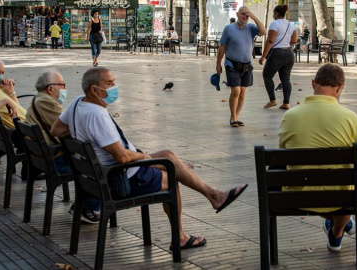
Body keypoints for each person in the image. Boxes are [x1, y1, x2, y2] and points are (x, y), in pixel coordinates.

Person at [51, 67, 248, 250]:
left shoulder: (78, 103)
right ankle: (181, 235)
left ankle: (214, 195)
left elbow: (56, 129)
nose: (114, 87)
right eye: (110, 83)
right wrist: (143, 155)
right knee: (171, 176)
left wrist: (84, 133)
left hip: (98, 175)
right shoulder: (97, 116)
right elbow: (122, 157)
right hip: (119, 178)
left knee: (168, 156)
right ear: (94, 89)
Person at [278, 63, 357, 252]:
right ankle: (338, 230)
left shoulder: (289, 116)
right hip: (339, 198)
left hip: (299, 196)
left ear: (313, 83)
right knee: (347, 187)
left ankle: (339, 228)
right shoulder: (350, 117)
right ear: (340, 88)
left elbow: (282, 157)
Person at [25, 69, 101, 223]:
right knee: (97, 168)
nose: (64, 88)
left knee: (90, 161)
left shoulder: (40, 99)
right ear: (50, 88)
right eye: (62, 85)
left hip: (44, 157)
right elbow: (68, 123)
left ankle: (82, 204)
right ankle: (85, 207)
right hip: (53, 161)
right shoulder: (44, 101)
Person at [216, 6, 266, 127]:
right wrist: (218, 64)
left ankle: (236, 116)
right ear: (237, 14)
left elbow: (264, 32)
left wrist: (253, 17)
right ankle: (233, 117)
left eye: (247, 15)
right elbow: (222, 47)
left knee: (243, 92)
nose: (245, 16)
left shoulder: (251, 28)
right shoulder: (229, 29)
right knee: (236, 91)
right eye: (242, 14)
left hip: (247, 66)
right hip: (232, 64)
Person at [259, 5, 297, 110]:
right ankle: (286, 103)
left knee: (267, 75)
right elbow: (294, 40)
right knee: (286, 79)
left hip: (277, 53)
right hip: (289, 53)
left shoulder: (274, 24)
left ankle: (272, 100)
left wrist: (263, 56)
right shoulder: (290, 25)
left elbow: (270, 41)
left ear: (276, 13)